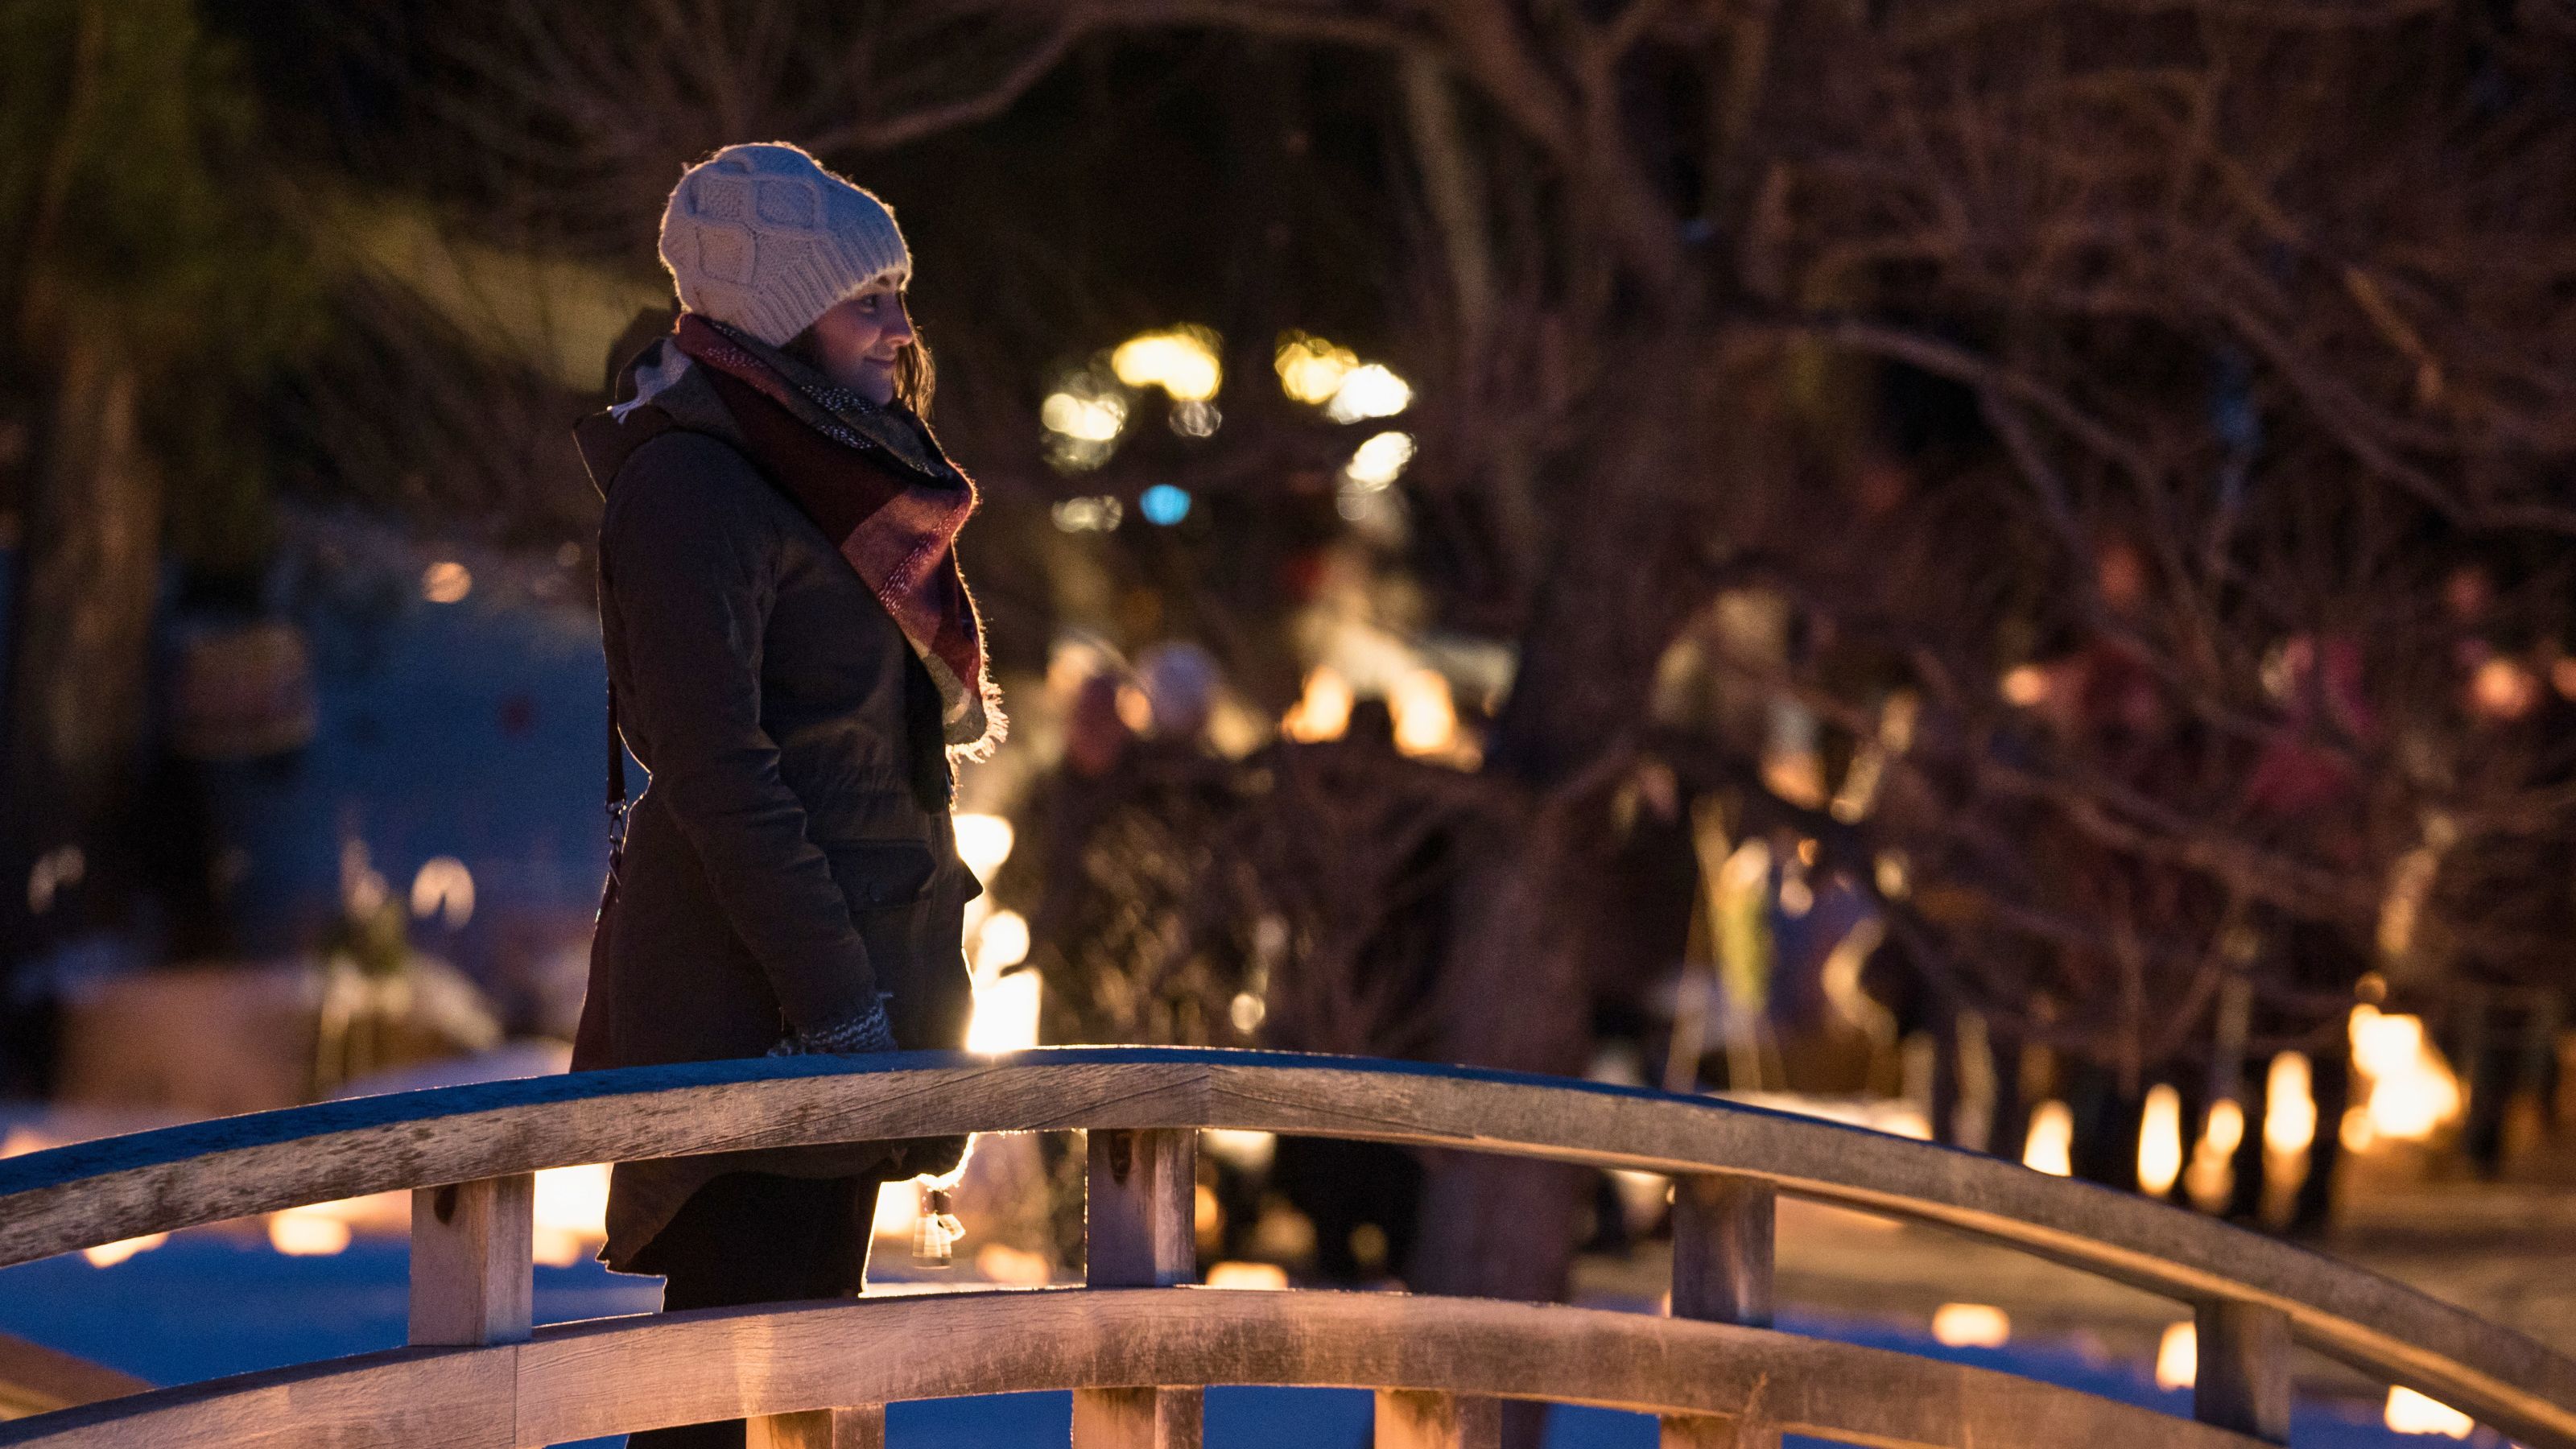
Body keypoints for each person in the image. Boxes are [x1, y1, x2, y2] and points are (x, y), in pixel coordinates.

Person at [570, 142, 1004, 1448]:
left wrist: (883, 1001)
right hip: (752, 1015)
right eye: (868, 299)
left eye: (896, 294)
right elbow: (719, 770)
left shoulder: (825, 471)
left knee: (802, 1396)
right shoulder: (696, 483)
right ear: (777, 312)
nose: (900, 326)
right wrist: (839, 1005)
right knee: (716, 1400)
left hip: (839, 1014)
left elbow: (862, 765)